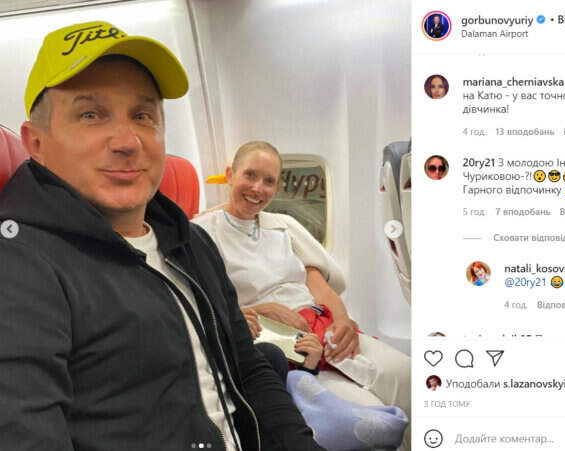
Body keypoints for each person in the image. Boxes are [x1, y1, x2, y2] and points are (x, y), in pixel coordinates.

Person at [0, 21, 324, 451]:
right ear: (36, 143)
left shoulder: (191, 242)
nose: (128, 141)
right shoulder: (21, 265)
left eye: (143, 116)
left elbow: (246, 367)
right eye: (90, 114)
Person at [193, 141, 411, 450]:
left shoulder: (283, 225)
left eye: (269, 181)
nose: (258, 188)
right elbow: (202, 308)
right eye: (250, 175)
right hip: (282, 345)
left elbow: (318, 285)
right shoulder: (201, 233)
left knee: (409, 376)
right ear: (230, 174)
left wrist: (343, 321)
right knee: (370, 416)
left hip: (322, 327)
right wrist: (264, 309)